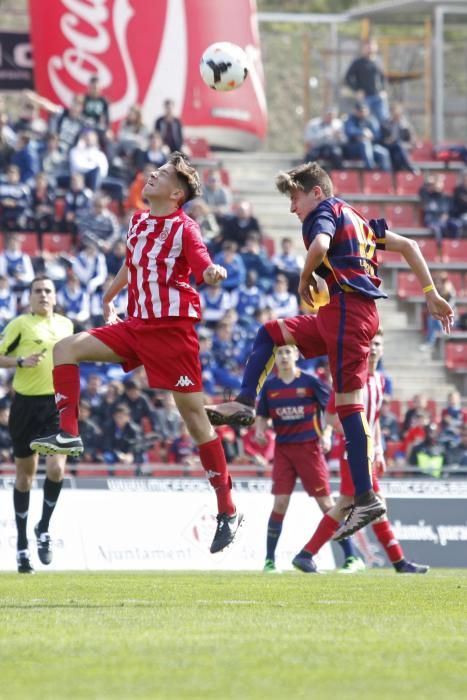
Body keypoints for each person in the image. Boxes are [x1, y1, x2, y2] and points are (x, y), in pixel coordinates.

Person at [205, 161, 454, 541]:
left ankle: (367, 497)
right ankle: (244, 402)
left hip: (347, 315)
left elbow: (320, 244)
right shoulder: (355, 216)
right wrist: (430, 293)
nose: (293, 208)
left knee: (348, 406)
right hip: (342, 314)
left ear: (316, 193)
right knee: (270, 333)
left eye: (295, 198)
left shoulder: (322, 214)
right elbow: (409, 245)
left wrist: (303, 278)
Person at [29, 152, 243, 554]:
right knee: (66, 348)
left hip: (173, 334)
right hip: (135, 326)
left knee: (195, 423)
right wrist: (110, 298)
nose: (151, 175)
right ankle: (69, 433)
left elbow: (201, 263)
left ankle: (227, 511)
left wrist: (212, 272)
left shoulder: (185, 228)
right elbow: (132, 263)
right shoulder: (139, 221)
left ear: (176, 193)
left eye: (160, 175)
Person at [292, 330, 429, 573]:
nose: (374, 348)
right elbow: (331, 417)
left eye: (378, 343)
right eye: (370, 343)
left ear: (383, 349)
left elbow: (373, 419)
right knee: (355, 504)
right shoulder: (351, 377)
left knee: (364, 505)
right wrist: (357, 438)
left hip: (367, 453)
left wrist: (377, 449)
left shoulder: (381, 380)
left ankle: (307, 554)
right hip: (352, 453)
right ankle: (307, 554)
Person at [256, 345, 364, 573]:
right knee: (280, 504)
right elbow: (262, 416)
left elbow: (330, 412)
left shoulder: (310, 382)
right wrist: (259, 430)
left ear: (297, 355)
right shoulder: (270, 387)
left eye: (288, 352)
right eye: (280, 353)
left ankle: (352, 557)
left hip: (309, 449)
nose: (284, 356)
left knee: (326, 505)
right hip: (283, 450)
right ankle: (269, 561)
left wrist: (326, 435)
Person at [0, 276, 73, 573]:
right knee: (25, 478)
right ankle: (21, 546)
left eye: (48, 291)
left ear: (55, 297)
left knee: (56, 469)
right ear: (29, 297)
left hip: (57, 405)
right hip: (26, 406)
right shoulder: (20, 324)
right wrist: (19, 362)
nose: (43, 295)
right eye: (37, 291)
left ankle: (43, 528)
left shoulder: (68, 326)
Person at [344, 38, 389, 124]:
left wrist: (384, 91)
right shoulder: (358, 62)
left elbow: (383, 78)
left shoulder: (378, 62)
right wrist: (357, 90)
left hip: (378, 97)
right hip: (365, 97)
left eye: (372, 46)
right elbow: (348, 78)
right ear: (363, 48)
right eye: (368, 46)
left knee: (383, 119)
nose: (370, 48)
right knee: (366, 120)